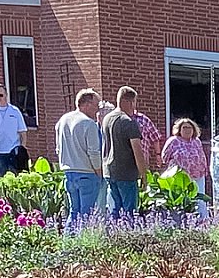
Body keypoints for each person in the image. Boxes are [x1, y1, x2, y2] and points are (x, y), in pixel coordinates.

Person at [55, 88, 104, 228]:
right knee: (86, 215)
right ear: (86, 104)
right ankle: (82, 241)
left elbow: (58, 149)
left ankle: (68, 240)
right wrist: (99, 172)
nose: (98, 110)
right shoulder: (89, 124)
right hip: (87, 174)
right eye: (96, 105)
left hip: (69, 173)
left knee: (74, 212)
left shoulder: (63, 120)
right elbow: (94, 153)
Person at [101, 86, 149, 218]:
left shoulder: (106, 119)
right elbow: (137, 150)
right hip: (126, 173)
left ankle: (114, 231)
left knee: (114, 210)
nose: (134, 107)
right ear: (129, 102)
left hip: (109, 171)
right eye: (134, 102)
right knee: (129, 212)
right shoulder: (128, 122)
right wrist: (144, 175)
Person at [161, 117, 211, 220]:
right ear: (179, 129)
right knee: (182, 200)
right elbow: (164, 157)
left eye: (189, 128)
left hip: (198, 175)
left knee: (199, 199)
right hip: (181, 176)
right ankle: (181, 221)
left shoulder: (196, 141)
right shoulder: (173, 141)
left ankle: (202, 221)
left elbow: (202, 156)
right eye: (184, 127)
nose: (187, 130)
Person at [0, 83, 29, 176]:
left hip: (13, 151)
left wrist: (22, 149)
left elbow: (23, 132)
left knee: (15, 177)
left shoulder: (15, 111)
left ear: (6, 95)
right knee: (1, 178)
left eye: (1, 95)